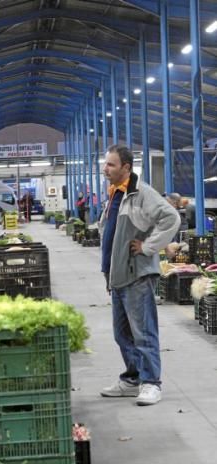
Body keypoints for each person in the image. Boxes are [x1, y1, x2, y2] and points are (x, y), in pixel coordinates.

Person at [99, 144, 181, 406]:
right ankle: (132, 380)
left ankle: (151, 383)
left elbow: (171, 218)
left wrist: (148, 247)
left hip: (137, 276)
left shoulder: (141, 193)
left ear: (126, 167)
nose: (105, 169)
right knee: (122, 334)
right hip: (119, 276)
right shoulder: (115, 193)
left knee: (143, 332)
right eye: (105, 164)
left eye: (111, 165)